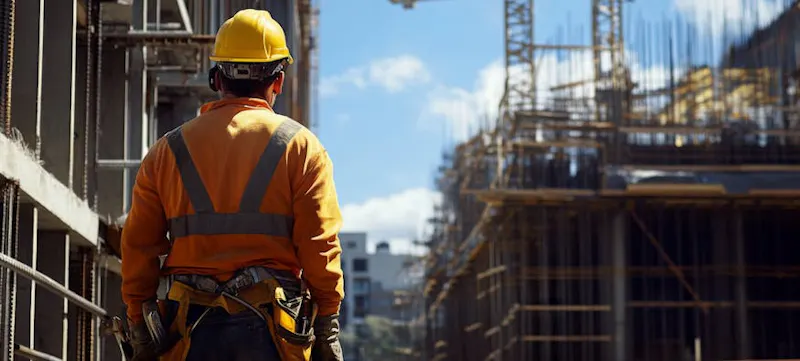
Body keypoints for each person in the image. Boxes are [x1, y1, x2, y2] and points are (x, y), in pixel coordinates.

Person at [120, 9, 345, 361]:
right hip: (274, 330)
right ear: (278, 81)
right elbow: (320, 243)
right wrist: (327, 325)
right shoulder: (301, 147)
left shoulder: (167, 150)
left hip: (186, 329)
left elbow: (137, 247)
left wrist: (139, 326)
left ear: (216, 77)